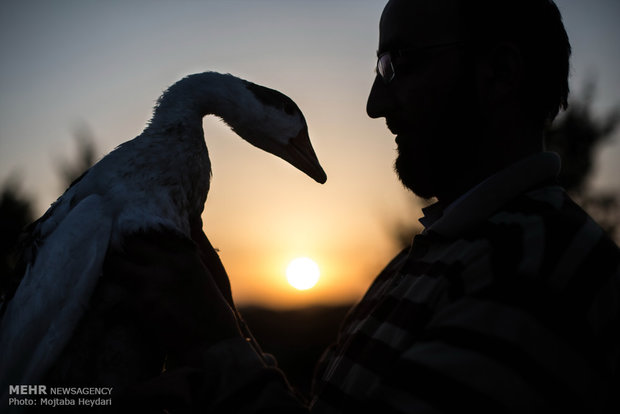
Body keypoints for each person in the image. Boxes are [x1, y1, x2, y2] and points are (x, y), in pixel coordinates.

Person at [108, 0, 620, 412]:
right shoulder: (443, 252)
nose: (375, 104)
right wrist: (222, 326)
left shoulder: (535, 272)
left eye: (395, 63)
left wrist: (210, 340)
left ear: (499, 73)